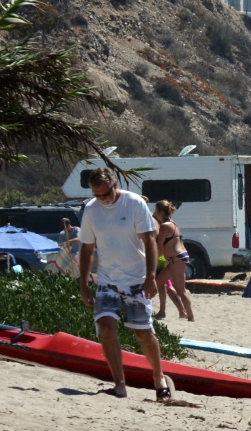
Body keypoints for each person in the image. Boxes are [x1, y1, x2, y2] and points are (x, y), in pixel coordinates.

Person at [77, 167, 168, 401]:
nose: (103, 199)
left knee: (143, 334)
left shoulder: (134, 203)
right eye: (98, 195)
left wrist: (150, 277)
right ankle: (119, 385)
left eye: (106, 193)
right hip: (107, 280)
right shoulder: (91, 210)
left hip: (137, 280)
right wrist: (84, 283)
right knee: (106, 330)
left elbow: (150, 241)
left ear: (115, 185)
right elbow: (86, 249)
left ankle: (159, 380)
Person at [152, 200, 195, 323]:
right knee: (158, 282)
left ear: (160, 211)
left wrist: (151, 260)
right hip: (176, 257)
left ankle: (190, 316)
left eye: (156, 211)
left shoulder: (165, 226)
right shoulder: (173, 223)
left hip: (176, 258)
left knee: (181, 291)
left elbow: (159, 246)